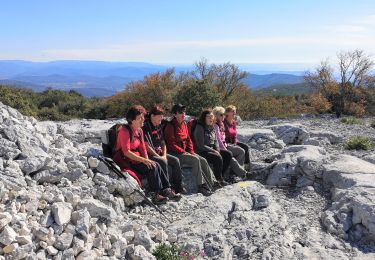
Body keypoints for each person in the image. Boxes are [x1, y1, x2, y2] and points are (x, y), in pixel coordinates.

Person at [112, 105, 181, 204]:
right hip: (126, 160)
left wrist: (147, 159)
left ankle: (166, 190)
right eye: (140, 118)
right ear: (132, 120)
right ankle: (155, 195)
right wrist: (144, 160)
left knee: (155, 164)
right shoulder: (124, 131)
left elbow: (143, 147)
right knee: (152, 167)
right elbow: (126, 152)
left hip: (135, 158)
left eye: (143, 117)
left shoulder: (139, 131)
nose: (143, 120)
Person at [164, 104, 217, 196]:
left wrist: (191, 151)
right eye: (180, 112)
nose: (183, 114)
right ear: (175, 114)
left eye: (184, 112)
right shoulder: (170, 126)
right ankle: (201, 186)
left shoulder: (184, 124)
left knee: (203, 160)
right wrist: (184, 152)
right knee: (195, 160)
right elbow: (171, 145)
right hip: (175, 153)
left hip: (185, 152)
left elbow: (188, 139)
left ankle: (213, 182)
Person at [142, 105, 186, 194]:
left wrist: (164, 155)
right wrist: (160, 157)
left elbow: (163, 142)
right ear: (152, 116)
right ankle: (166, 189)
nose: (161, 119)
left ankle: (178, 186)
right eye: (159, 117)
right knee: (162, 162)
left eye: (162, 117)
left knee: (175, 160)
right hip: (150, 155)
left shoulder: (158, 126)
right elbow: (147, 146)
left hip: (160, 153)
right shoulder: (146, 127)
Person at [193, 109, 231, 185]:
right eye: (208, 117)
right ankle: (218, 179)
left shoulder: (212, 127)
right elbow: (201, 145)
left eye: (212, 117)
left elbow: (216, 140)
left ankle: (221, 175)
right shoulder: (199, 127)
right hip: (202, 151)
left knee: (228, 154)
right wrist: (214, 151)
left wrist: (217, 149)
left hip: (211, 149)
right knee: (217, 157)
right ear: (204, 118)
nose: (211, 119)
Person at [213, 106, 248, 180]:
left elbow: (233, 135)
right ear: (216, 116)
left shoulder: (221, 124)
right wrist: (225, 149)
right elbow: (219, 140)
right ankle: (243, 174)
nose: (223, 116)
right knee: (230, 155)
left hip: (226, 144)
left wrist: (234, 144)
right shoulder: (216, 125)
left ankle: (236, 172)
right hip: (220, 146)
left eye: (224, 114)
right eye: (221, 115)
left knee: (242, 150)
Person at [224, 105, 251, 170]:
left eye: (235, 111)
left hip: (233, 142)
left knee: (245, 147)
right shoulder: (224, 122)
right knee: (241, 151)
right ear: (227, 113)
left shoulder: (233, 122)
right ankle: (238, 170)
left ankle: (246, 167)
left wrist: (235, 143)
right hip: (226, 142)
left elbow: (235, 134)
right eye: (232, 111)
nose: (234, 113)